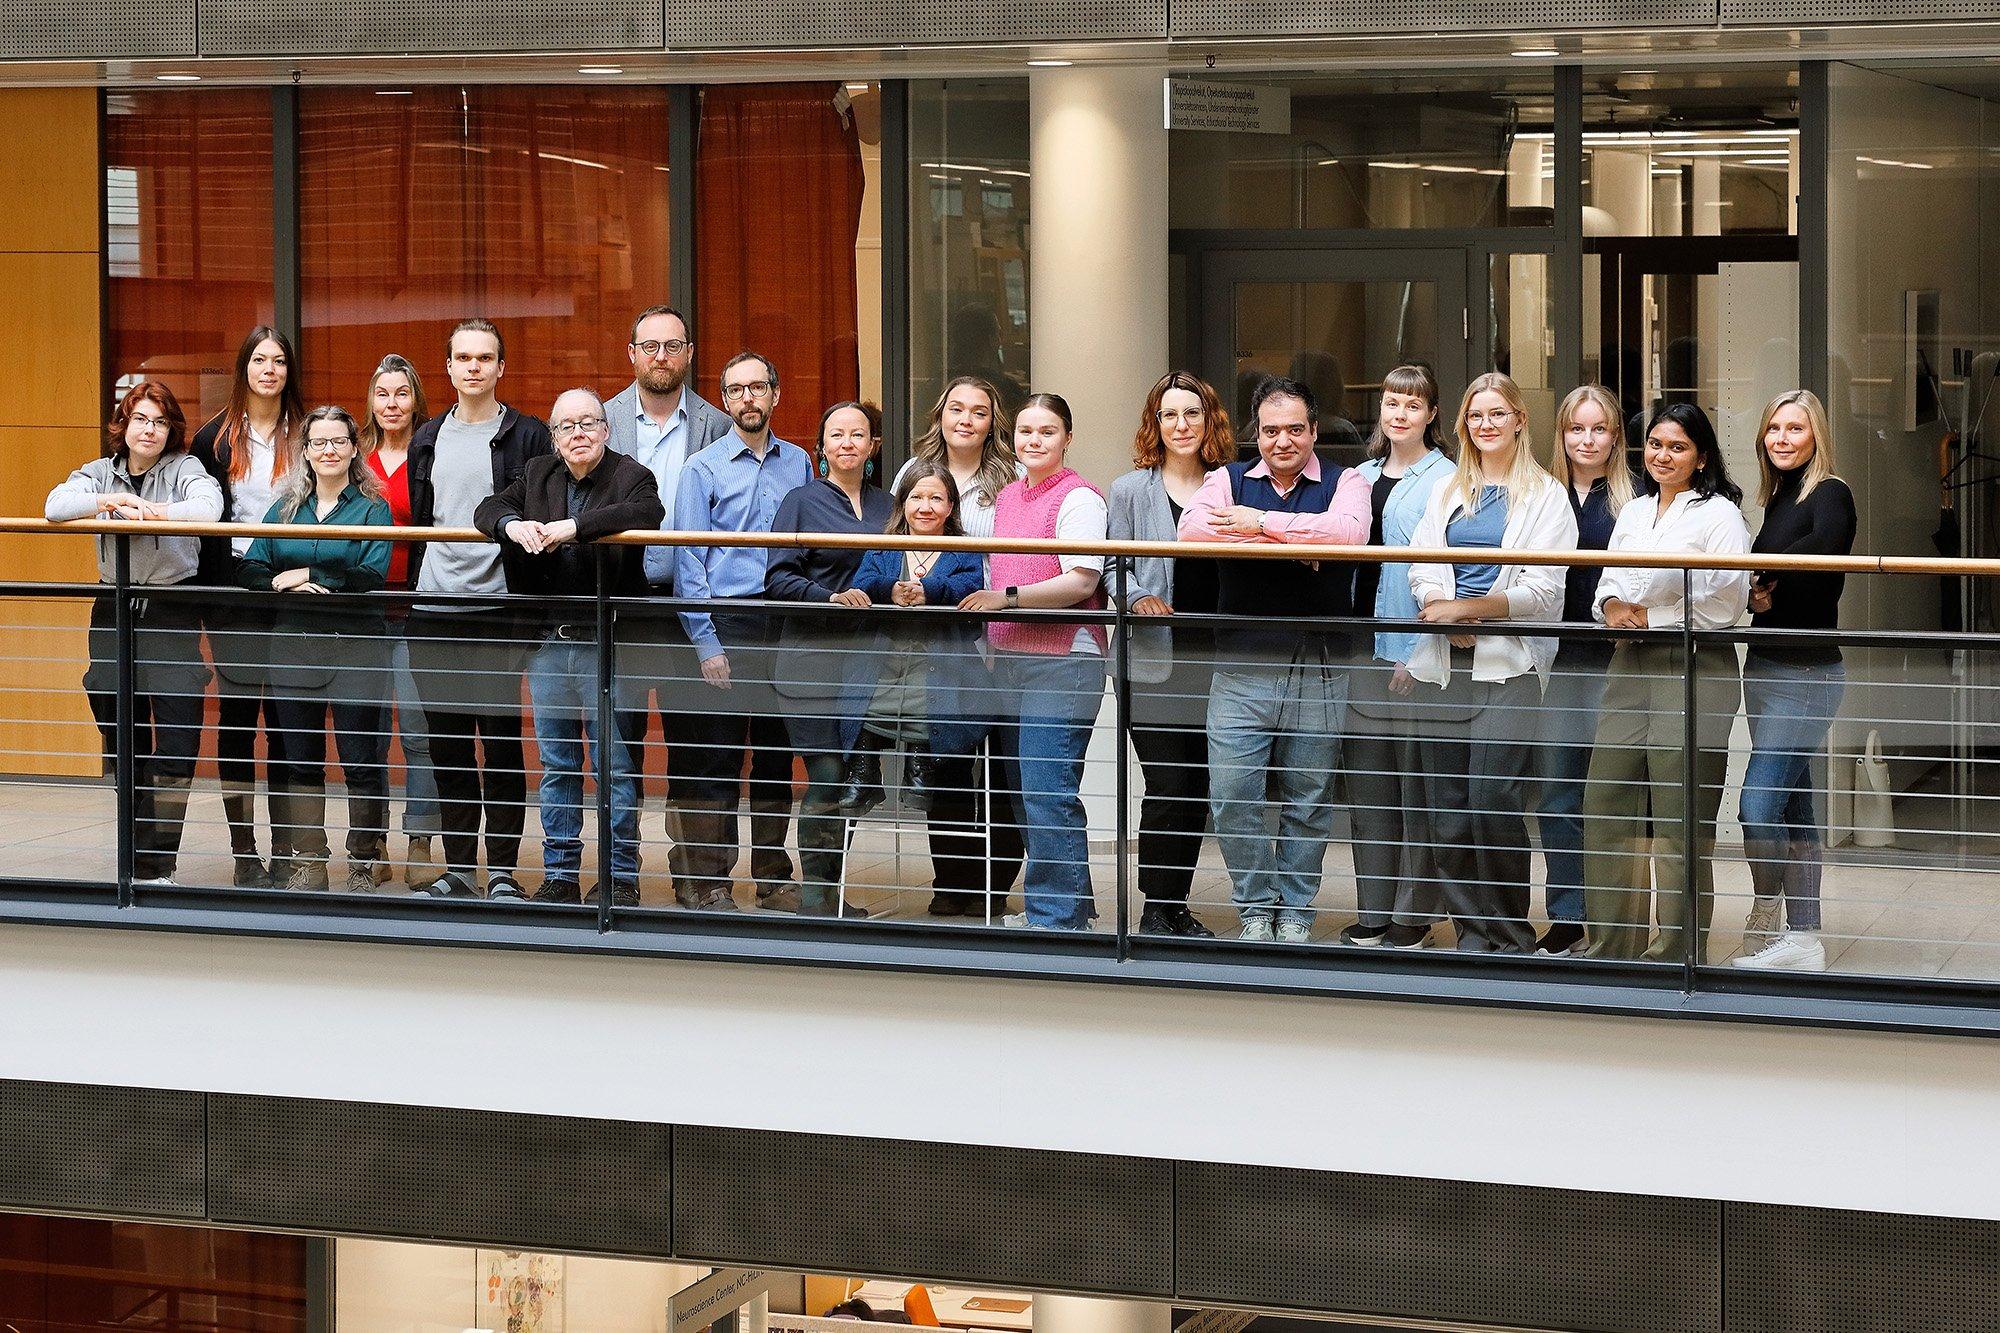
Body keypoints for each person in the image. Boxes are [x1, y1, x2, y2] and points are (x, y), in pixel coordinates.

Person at [1180, 374, 1370, 943]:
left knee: (1309, 797)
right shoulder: (1224, 479)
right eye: (1268, 430)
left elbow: (1351, 535)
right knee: (1233, 793)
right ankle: (1255, 907)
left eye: (1294, 429)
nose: (1281, 440)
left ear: (1315, 430)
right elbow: (1192, 533)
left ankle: (1296, 912)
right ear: (1254, 434)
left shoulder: (1348, 479)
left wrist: (1260, 525)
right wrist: (1302, 548)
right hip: (1241, 665)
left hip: (1321, 664)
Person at [1405, 373, 1577, 953]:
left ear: (1520, 420)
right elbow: (1422, 563)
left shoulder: (1547, 495)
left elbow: (1543, 591)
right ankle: (1470, 930)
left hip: (1509, 664)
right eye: (1475, 415)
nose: (1486, 424)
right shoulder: (1448, 489)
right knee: (1447, 807)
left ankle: (1509, 931)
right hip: (1443, 665)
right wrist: (1437, 608)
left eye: (1497, 413)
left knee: (1493, 796)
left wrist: (1469, 610)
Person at [476, 388, 664, 907]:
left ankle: (619, 875)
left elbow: (647, 511)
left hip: (609, 646)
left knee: (616, 766)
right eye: (566, 426)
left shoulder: (631, 474)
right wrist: (511, 525)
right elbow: (487, 507)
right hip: (548, 646)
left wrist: (573, 529)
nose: (578, 433)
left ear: (606, 429)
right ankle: (560, 874)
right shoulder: (538, 474)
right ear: (555, 438)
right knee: (558, 765)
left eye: (588, 423)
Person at [1582, 402, 1751, 963]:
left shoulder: (1720, 515)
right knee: (1605, 802)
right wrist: (1609, 607)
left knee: (1680, 817)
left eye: (1677, 447)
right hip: (1629, 662)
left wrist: (1650, 616)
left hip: (1694, 663)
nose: (1663, 456)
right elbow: (1607, 579)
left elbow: (1727, 602)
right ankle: (1611, 946)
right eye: (1655, 444)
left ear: (1701, 456)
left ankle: (1678, 953)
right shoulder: (1632, 511)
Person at [46, 382, 222, 886]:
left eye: (160, 422)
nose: (150, 430)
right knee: (119, 730)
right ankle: (136, 852)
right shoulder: (101, 471)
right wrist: (111, 499)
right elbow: (55, 506)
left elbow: (208, 510)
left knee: (177, 740)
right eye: (141, 419)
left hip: (169, 610)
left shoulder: (184, 469)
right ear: (124, 426)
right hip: (114, 608)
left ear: (172, 430)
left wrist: (150, 512)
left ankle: (156, 863)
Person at [405, 318, 554, 901]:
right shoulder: (426, 437)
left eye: (484, 357)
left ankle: (503, 872)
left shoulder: (529, 436)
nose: (473, 367)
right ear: (448, 368)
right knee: (447, 745)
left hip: (498, 608)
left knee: (498, 741)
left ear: (500, 368)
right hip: (434, 606)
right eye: (463, 357)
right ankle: (460, 868)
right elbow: (423, 520)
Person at [960, 393, 1107, 932]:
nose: (1034, 441)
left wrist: (1010, 600)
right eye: (1025, 431)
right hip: (1013, 660)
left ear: (1067, 437)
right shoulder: (1008, 497)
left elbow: (1082, 581)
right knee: (1029, 793)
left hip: (1064, 660)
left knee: (1047, 790)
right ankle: (1072, 905)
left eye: (1047, 431)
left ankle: (1057, 918)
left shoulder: (1080, 498)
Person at [672, 352, 813, 911]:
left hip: (782, 623)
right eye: (736, 390)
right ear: (724, 400)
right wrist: (707, 644)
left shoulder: (799, 463)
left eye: (758, 387)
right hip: (725, 624)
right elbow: (688, 564)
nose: (748, 398)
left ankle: (774, 877)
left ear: (776, 394)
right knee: (717, 760)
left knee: (777, 758)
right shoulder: (701, 468)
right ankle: (708, 883)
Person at [604, 305, 733, 906]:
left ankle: (699, 882)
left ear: (688, 354)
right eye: (649, 346)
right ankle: (620, 880)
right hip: (622, 605)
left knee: (697, 751)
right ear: (630, 353)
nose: (660, 357)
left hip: (692, 607)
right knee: (618, 748)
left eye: (672, 346)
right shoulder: (599, 421)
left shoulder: (716, 424)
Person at [238, 406, 394, 893]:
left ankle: (365, 860)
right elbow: (250, 568)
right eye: (319, 443)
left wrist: (309, 575)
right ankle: (311, 860)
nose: (329, 451)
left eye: (338, 441)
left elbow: (371, 575)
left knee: (360, 759)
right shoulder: (285, 509)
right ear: (305, 452)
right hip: (293, 648)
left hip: (356, 650)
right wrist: (280, 585)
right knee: (302, 762)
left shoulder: (373, 508)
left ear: (354, 448)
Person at [890, 376, 1025, 915]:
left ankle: (994, 888)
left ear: (994, 422)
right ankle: (953, 884)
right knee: (945, 767)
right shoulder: (911, 471)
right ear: (940, 415)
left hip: (1002, 635)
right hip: (939, 645)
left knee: (1001, 769)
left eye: (979, 412)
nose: (966, 420)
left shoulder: (1011, 477)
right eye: (956, 409)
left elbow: (1008, 561)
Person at [1107, 372, 1235, 939]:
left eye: (1191, 413)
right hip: (1152, 660)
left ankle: (1175, 904)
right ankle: (1155, 905)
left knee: (1201, 785)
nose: (1180, 425)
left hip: (1215, 659)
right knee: (1169, 782)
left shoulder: (1231, 485)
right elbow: (1112, 567)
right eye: (1168, 415)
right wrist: (1138, 598)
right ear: (1154, 425)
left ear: (1210, 420)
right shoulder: (1130, 489)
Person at [1734, 389, 1855, 972]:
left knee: (1758, 806)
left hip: (1806, 672)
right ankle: (1804, 938)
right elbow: (1778, 574)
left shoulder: (1830, 492)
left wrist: (1764, 572)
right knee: (1796, 807)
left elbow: (1824, 546)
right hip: (1765, 666)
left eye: (1795, 429)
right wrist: (1757, 591)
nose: (1782, 439)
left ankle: (1770, 899)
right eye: (1774, 428)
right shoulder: (1779, 497)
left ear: (1816, 437)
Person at [765, 402, 894, 917]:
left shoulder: (891, 506)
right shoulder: (800, 501)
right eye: (835, 434)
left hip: (869, 664)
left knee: (849, 781)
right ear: (821, 446)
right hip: (810, 658)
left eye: (857, 435)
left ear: (873, 447)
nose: (847, 443)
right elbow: (776, 579)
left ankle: (832, 892)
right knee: (825, 773)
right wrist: (829, 598)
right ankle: (817, 896)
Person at [1341, 364, 1454, 949]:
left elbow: (1449, 572)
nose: (1400, 413)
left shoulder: (1448, 480)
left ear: (1432, 414)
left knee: (1416, 792)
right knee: (1370, 792)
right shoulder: (1357, 476)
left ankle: (1412, 917)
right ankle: (1373, 910)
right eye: (1391, 402)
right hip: (1359, 645)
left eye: (1413, 404)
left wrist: (1419, 649)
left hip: (1412, 651)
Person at [190, 326, 305, 888]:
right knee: (238, 718)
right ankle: (244, 851)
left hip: (290, 583)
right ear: (244, 368)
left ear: (288, 371)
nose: (269, 370)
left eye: (279, 361)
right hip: (234, 586)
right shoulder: (214, 438)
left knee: (287, 720)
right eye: (259, 360)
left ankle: (285, 849)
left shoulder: (308, 433)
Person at [1531, 385, 1636, 956]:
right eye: (1577, 429)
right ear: (1562, 434)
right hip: (1560, 661)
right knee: (1556, 793)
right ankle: (1569, 913)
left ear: (1615, 436)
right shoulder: (1540, 494)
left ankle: (1617, 916)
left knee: (1614, 796)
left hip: (1620, 663)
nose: (1587, 439)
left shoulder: (1635, 497)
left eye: (1599, 429)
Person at [359, 353, 440, 887]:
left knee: (416, 730)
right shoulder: (354, 454)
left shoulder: (431, 452)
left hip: (414, 608)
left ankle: (418, 839)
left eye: (401, 393)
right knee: (363, 733)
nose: (392, 403)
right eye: (383, 393)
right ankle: (368, 847)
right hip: (362, 608)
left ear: (415, 400)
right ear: (371, 401)